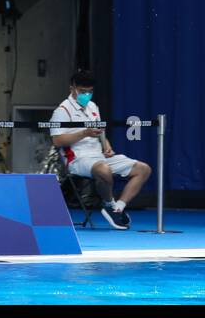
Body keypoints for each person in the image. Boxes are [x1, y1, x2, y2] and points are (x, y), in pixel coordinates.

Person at [51, 70, 151, 230]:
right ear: (73, 88)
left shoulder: (93, 106)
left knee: (143, 169)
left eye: (90, 92)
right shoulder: (62, 111)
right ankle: (109, 204)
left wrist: (107, 146)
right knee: (104, 170)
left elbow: (100, 131)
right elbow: (57, 140)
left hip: (99, 157)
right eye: (83, 92)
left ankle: (118, 208)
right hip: (77, 159)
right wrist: (84, 132)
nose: (87, 95)